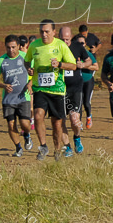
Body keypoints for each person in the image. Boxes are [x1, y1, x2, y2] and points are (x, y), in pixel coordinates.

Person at [25, 20, 77, 161]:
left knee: (57, 123)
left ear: (54, 32)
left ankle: (57, 150)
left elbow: (73, 66)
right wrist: (28, 68)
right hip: (39, 87)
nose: (44, 34)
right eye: (41, 31)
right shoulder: (34, 46)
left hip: (57, 89)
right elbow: (27, 60)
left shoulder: (60, 45)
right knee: (38, 115)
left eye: (47, 31)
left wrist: (60, 64)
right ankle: (43, 146)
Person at [0, 34, 32, 157]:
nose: (11, 50)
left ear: (19, 46)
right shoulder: (1, 61)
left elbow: (34, 74)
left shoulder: (25, 57)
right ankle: (18, 148)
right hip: (8, 99)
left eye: (14, 47)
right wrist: (3, 85)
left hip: (23, 97)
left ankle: (27, 134)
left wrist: (30, 84)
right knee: (11, 124)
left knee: (25, 124)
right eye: (8, 47)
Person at [58, 26, 92, 153]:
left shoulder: (78, 47)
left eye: (67, 39)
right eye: (62, 39)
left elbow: (89, 61)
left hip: (75, 89)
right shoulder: (55, 47)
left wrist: (82, 65)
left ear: (71, 37)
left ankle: (77, 138)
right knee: (60, 121)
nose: (65, 42)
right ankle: (67, 147)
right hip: (59, 89)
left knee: (75, 120)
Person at [76, 35, 98, 130]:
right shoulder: (74, 54)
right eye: (78, 43)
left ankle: (89, 116)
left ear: (85, 44)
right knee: (78, 102)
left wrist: (84, 66)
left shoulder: (88, 54)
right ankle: (79, 122)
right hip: (78, 81)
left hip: (88, 80)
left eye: (82, 43)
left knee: (86, 102)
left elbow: (96, 67)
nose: (80, 45)